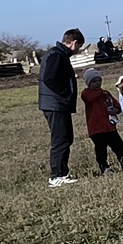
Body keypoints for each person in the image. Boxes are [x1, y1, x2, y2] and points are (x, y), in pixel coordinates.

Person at [39, 29, 85, 186]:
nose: (78, 50)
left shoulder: (59, 54)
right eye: (79, 46)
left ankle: (62, 173)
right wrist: (65, 93)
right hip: (55, 105)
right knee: (61, 139)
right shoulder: (56, 55)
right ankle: (56, 175)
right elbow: (48, 79)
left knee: (66, 137)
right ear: (73, 43)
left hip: (58, 104)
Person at [80, 68, 123, 174]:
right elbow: (91, 98)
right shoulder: (86, 93)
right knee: (101, 150)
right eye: (94, 81)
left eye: (99, 81)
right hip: (96, 129)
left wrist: (115, 110)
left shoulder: (106, 93)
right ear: (88, 83)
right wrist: (101, 92)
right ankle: (104, 167)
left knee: (118, 146)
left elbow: (117, 106)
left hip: (110, 127)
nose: (97, 83)